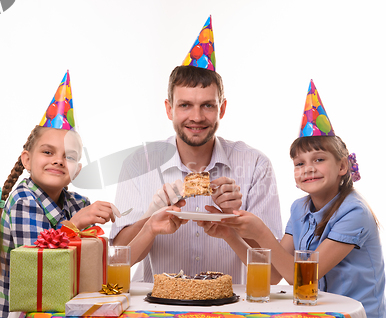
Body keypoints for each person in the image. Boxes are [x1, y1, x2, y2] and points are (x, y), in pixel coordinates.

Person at [0, 72, 184, 318]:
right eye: (47, 152)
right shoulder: (23, 200)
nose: (58, 160)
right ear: (27, 160)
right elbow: (35, 276)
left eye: (70, 156)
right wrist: (76, 223)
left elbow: (107, 269)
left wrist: (150, 222)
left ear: (77, 170)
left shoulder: (78, 202)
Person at [110, 16, 282, 284]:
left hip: (230, 310)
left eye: (208, 105)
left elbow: (272, 276)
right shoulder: (138, 163)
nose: (197, 117)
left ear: (222, 109)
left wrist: (235, 221)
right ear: (169, 109)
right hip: (157, 310)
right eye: (185, 105)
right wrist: (149, 218)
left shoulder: (256, 164)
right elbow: (117, 259)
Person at [214, 80, 386, 318]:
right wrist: (230, 234)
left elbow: (301, 280)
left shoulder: (355, 212)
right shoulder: (299, 209)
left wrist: (261, 231)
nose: (308, 168)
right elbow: (274, 275)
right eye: (299, 163)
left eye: (319, 159)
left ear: (342, 167)